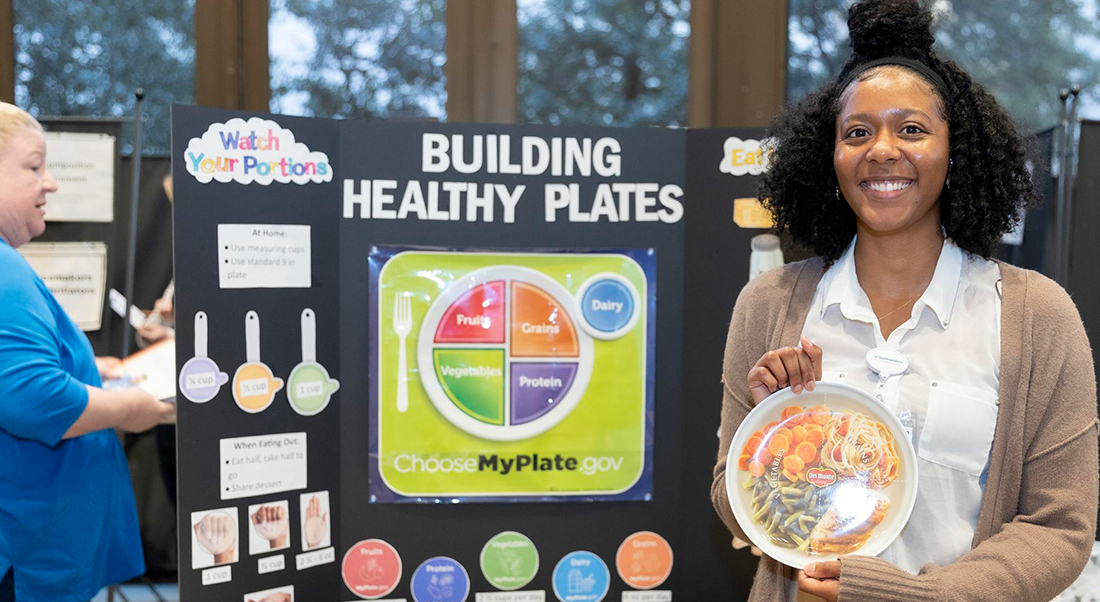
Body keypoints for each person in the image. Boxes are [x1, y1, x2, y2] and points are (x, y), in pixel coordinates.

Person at [710, 1, 1098, 601]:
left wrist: (918, 597)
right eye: (857, 132)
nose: (882, 150)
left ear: (957, 150)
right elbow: (733, 506)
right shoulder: (769, 304)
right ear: (828, 158)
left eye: (911, 129)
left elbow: (1060, 528)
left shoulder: (1038, 316)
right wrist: (769, 434)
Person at [0, 102, 175, 602]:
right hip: (27, 552)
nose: (50, 183)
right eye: (33, 167)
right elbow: (36, 400)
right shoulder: (4, 271)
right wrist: (132, 410)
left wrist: (93, 367)